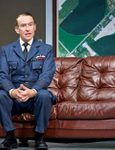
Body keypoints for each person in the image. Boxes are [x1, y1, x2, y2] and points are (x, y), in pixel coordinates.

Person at [0, 12, 56, 150]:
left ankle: (39, 137)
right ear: (17, 29)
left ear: (35, 27)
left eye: (30, 25)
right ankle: (10, 137)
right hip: (14, 98)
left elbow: (47, 75)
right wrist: (12, 92)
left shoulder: (46, 49)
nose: (27, 29)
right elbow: (2, 75)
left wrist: (33, 91)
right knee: (0, 95)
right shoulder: (6, 50)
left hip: (35, 97)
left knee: (44, 95)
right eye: (23, 25)